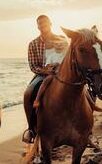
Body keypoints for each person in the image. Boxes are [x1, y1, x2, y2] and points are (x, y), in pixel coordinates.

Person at [22, 15, 68, 143]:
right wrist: (45, 71)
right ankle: (31, 129)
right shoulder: (33, 44)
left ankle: (85, 122)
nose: (43, 25)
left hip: (61, 74)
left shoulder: (61, 39)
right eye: (40, 24)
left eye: (45, 23)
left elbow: (67, 57)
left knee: (82, 88)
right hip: (42, 75)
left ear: (50, 23)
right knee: (27, 94)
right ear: (38, 26)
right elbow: (33, 66)